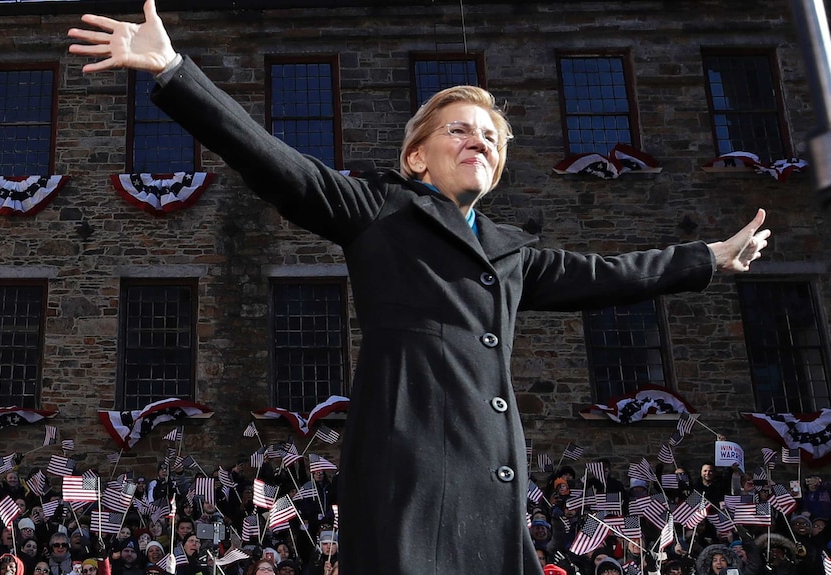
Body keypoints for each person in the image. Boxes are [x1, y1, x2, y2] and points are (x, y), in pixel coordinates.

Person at [67, 3, 771, 573]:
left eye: (491, 137)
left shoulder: (512, 252)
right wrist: (172, 70)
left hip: (493, 499)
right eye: (459, 130)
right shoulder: (378, 210)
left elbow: (613, 276)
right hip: (411, 486)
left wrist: (707, 257)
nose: (480, 141)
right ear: (416, 155)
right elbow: (273, 160)